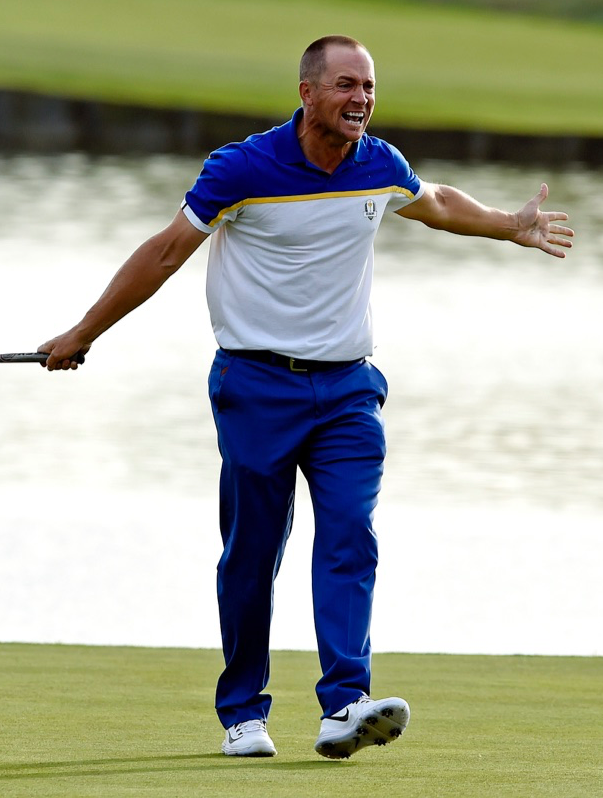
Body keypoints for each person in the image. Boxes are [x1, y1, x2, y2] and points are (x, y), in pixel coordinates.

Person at [39, 34, 573, 759]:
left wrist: (510, 226)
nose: (361, 99)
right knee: (253, 555)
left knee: (351, 534)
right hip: (255, 385)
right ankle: (242, 714)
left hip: (349, 389)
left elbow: (438, 202)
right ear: (308, 93)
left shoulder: (378, 164)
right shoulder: (242, 168)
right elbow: (164, 253)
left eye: (369, 87)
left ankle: (345, 704)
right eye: (346, 85)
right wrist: (83, 332)